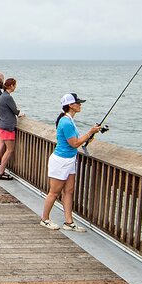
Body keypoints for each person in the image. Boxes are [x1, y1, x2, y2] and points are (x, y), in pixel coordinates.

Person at [40, 93, 102, 232]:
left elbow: (77, 141)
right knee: (54, 192)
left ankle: (69, 222)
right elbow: (74, 143)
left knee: (69, 191)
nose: (80, 105)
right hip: (61, 161)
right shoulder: (66, 122)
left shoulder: (69, 120)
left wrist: (90, 135)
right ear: (70, 105)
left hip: (70, 160)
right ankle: (44, 219)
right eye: (78, 103)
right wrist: (90, 131)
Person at [0, 77, 21, 180]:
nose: (15, 87)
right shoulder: (8, 97)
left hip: (1, 125)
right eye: (14, 85)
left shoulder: (2, 96)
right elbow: (15, 111)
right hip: (8, 127)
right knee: (9, 150)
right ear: (11, 86)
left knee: (0, 148)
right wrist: (21, 113)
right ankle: (1, 172)